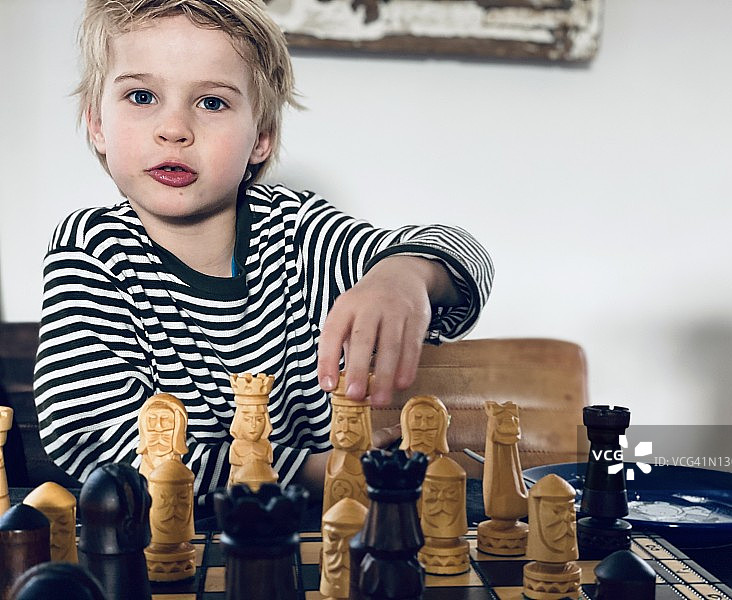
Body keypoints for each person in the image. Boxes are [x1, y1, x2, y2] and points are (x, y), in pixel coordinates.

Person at [33, 0, 493, 506]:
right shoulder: (91, 250)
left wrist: (405, 276)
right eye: (142, 96)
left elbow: (466, 258)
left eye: (212, 103)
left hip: (315, 539)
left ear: (262, 137)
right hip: (164, 540)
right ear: (97, 123)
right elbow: (96, 442)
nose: (174, 128)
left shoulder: (298, 232)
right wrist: (311, 469)